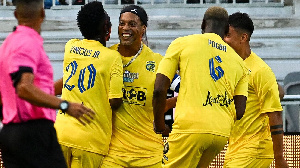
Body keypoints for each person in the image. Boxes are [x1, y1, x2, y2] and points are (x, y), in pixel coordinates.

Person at [0, 0, 95, 167]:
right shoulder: (27, 42)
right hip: (34, 132)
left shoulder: (6, 45)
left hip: (11, 132)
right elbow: (23, 87)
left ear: (15, 15)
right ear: (43, 14)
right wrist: (66, 106)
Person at [152, 6, 249, 167]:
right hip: (220, 134)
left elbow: (159, 90)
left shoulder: (182, 43)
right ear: (226, 30)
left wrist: (159, 124)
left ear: (203, 24)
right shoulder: (239, 62)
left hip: (189, 129)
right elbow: (239, 111)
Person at [54, 2, 124, 168]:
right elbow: (115, 102)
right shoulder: (112, 57)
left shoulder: (70, 46)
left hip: (61, 133)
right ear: (106, 27)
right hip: (91, 139)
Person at [101, 5, 169, 168]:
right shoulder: (105, 56)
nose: (125, 28)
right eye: (122, 23)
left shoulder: (158, 61)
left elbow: (172, 94)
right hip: (113, 154)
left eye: (132, 24)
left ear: (143, 29)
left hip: (149, 154)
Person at [223, 12, 289, 168]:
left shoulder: (260, 70)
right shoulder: (230, 66)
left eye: (227, 35)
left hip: (254, 149)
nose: (223, 40)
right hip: (235, 149)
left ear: (243, 37)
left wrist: (279, 158)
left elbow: (276, 114)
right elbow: (279, 92)